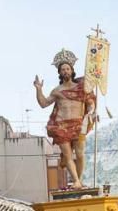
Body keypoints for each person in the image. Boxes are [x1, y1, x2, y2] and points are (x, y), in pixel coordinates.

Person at [33, 49, 96, 190]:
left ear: (72, 70)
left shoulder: (82, 88)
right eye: (63, 69)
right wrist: (38, 89)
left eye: (68, 68)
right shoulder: (57, 91)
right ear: (60, 73)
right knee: (67, 155)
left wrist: (91, 112)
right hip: (61, 126)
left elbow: (91, 103)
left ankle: (78, 180)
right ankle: (76, 181)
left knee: (79, 154)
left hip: (79, 124)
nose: (65, 71)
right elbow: (43, 103)